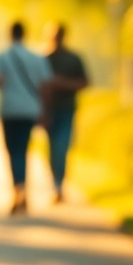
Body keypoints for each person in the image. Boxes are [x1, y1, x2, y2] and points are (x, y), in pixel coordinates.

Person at [0, 20, 52, 216]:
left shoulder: (3, 57)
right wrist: (44, 110)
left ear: (9, 34)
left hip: (10, 110)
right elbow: (46, 85)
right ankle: (23, 191)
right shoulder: (36, 57)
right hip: (30, 110)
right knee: (23, 151)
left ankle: (18, 191)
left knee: (12, 151)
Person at [43, 21, 90, 204]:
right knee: (52, 148)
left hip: (67, 109)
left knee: (61, 147)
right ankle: (55, 183)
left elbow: (85, 82)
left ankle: (59, 185)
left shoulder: (73, 59)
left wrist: (63, 84)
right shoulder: (44, 58)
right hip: (49, 109)